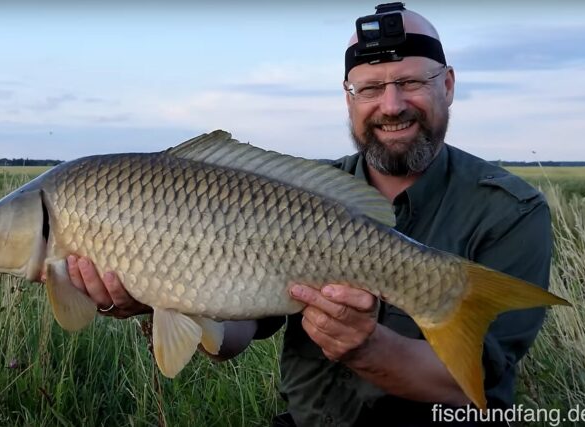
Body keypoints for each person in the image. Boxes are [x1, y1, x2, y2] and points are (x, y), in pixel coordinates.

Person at [63, 5, 552, 426]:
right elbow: (233, 334)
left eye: (410, 82)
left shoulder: (509, 210)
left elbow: (474, 386)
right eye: (370, 88)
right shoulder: (293, 195)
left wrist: (367, 348)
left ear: (447, 85)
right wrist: (158, 293)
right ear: (348, 98)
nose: (392, 104)